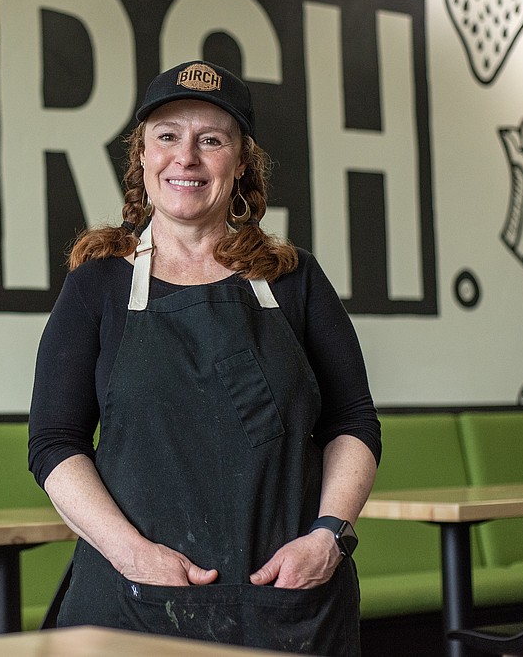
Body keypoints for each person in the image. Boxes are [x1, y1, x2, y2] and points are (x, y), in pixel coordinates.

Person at [28, 60, 381, 655]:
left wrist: (327, 536)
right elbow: (54, 442)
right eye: (167, 137)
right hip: (132, 606)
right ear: (143, 157)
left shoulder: (294, 279)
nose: (185, 157)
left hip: (285, 607)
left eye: (210, 140)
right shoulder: (98, 286)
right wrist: (131, 554)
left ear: (241, 163)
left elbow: (353, 423)